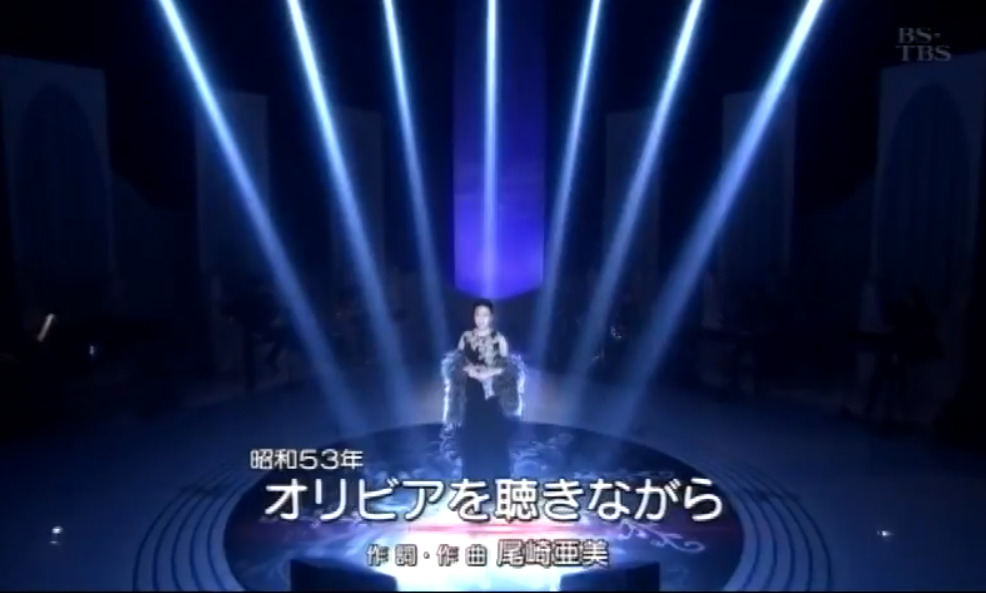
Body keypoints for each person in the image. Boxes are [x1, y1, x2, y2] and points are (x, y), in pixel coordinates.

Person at [442, 299, 525, 483]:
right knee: (472, 435)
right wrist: (470, 370)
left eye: (485, 315)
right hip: (470, 392)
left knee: (495, 435)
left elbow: (507, 368)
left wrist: (489, 372)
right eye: (478, 314)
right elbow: (457, 362)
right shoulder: (465, 337)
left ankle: (498, 481)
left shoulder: (499, 339)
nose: (481, 319)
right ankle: (472, 480)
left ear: (491, 317)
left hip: (492, 393)